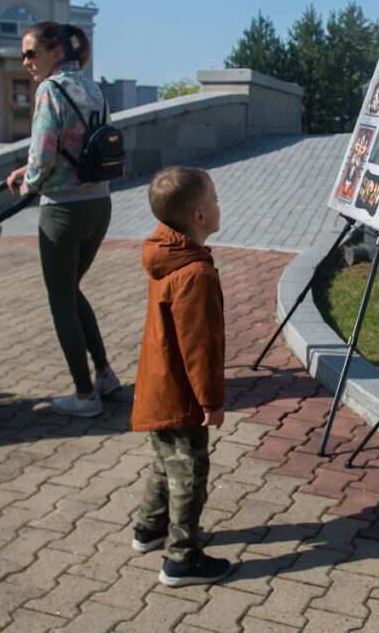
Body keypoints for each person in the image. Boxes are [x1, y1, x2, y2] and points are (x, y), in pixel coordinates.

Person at [6, 21, 120, 417]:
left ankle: (85, 395)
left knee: (61, 301)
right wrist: (30, 170)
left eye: (31, 52)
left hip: (62, 212)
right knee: (71, 290)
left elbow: (44, 151)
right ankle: (104, 373)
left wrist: (28, 183)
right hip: (99, 205)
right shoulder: (94, 88)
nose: (26, 62)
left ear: (57, 51)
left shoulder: (49, 91)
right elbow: (81, 143)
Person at [129, 166, 234, 587]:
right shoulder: (195, 274)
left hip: (158, 387)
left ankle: (150, 528)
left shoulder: (167, 255)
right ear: (199, 216)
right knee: (190, 471)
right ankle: (181, 558)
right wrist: (212, 401)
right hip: (182, 395)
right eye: (214, 199)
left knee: (165, 461)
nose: (219, 204)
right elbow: (200, 348)